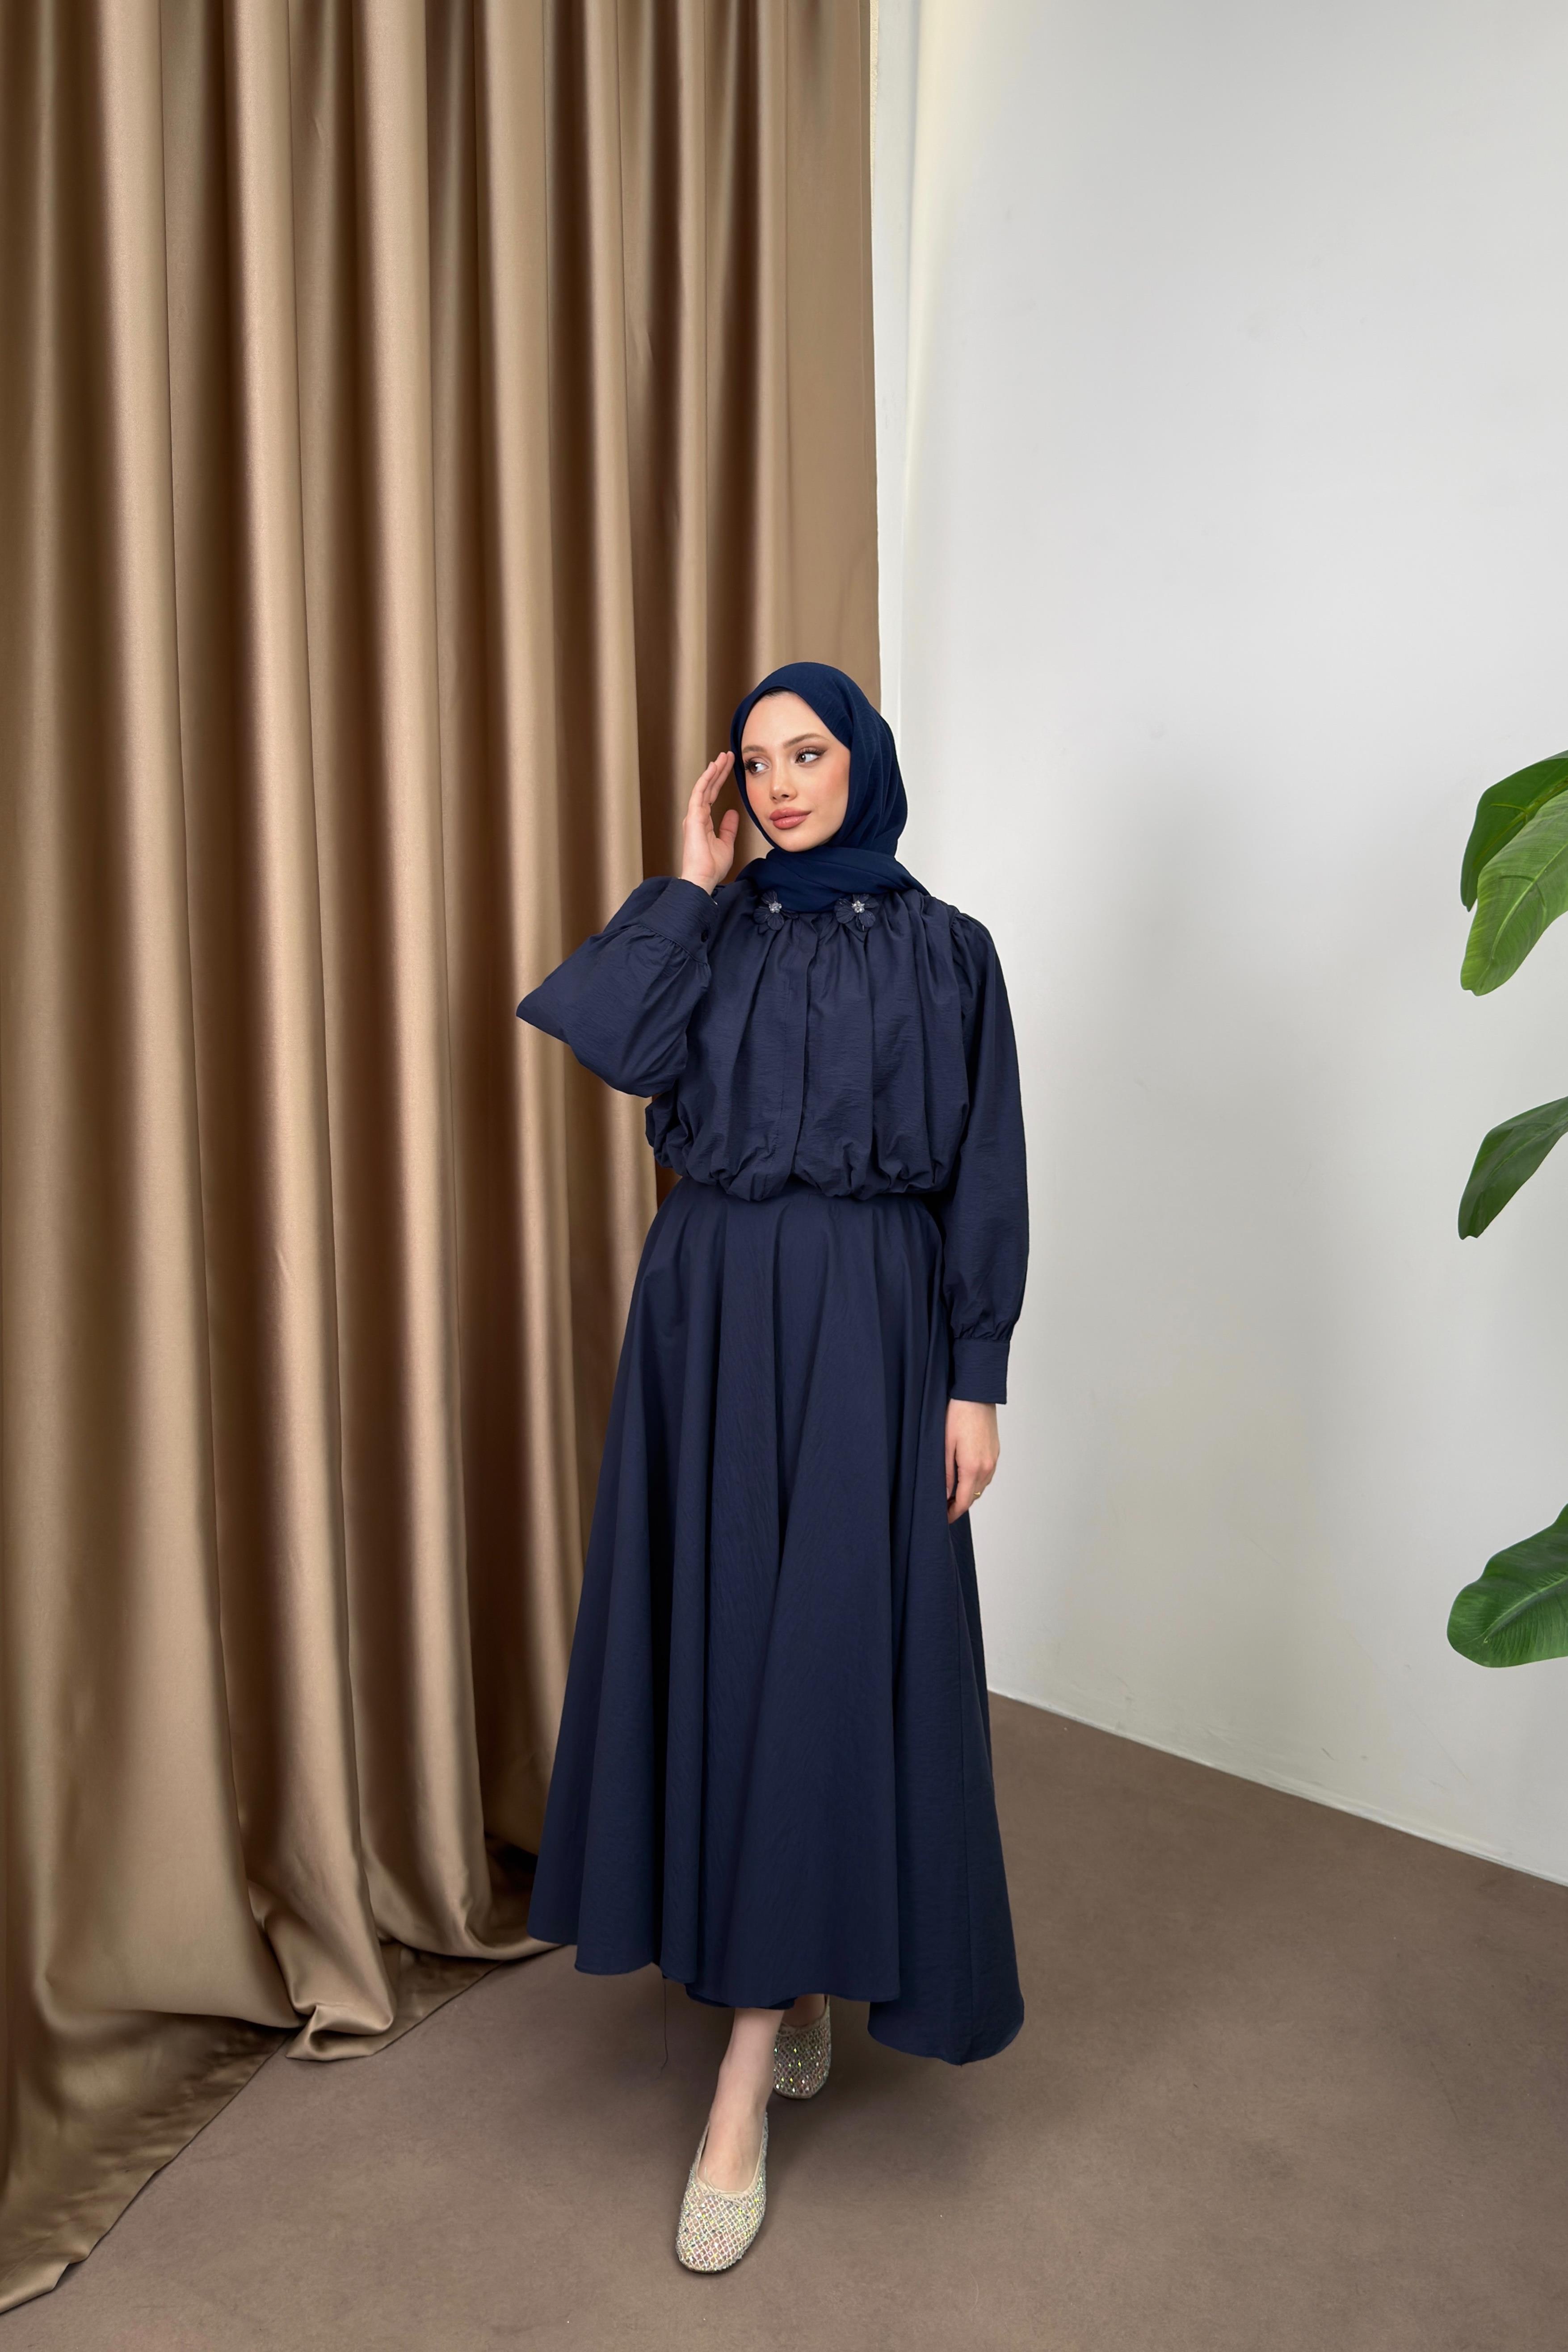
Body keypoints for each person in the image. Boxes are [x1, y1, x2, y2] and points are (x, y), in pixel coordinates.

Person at [516, 661, 1029, 2272]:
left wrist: (977, 1375)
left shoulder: (952, 952)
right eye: (755, 762)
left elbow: (986, 1168)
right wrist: (687, 881)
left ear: (862, 761)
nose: (783, 783)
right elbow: (611, 1043)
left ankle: (741, 2084)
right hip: (711, 1320)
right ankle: (782, 1972)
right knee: (737, 1641)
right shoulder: (714, 934)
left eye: (808, 753)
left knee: (829, 1655)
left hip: (874, 1327)